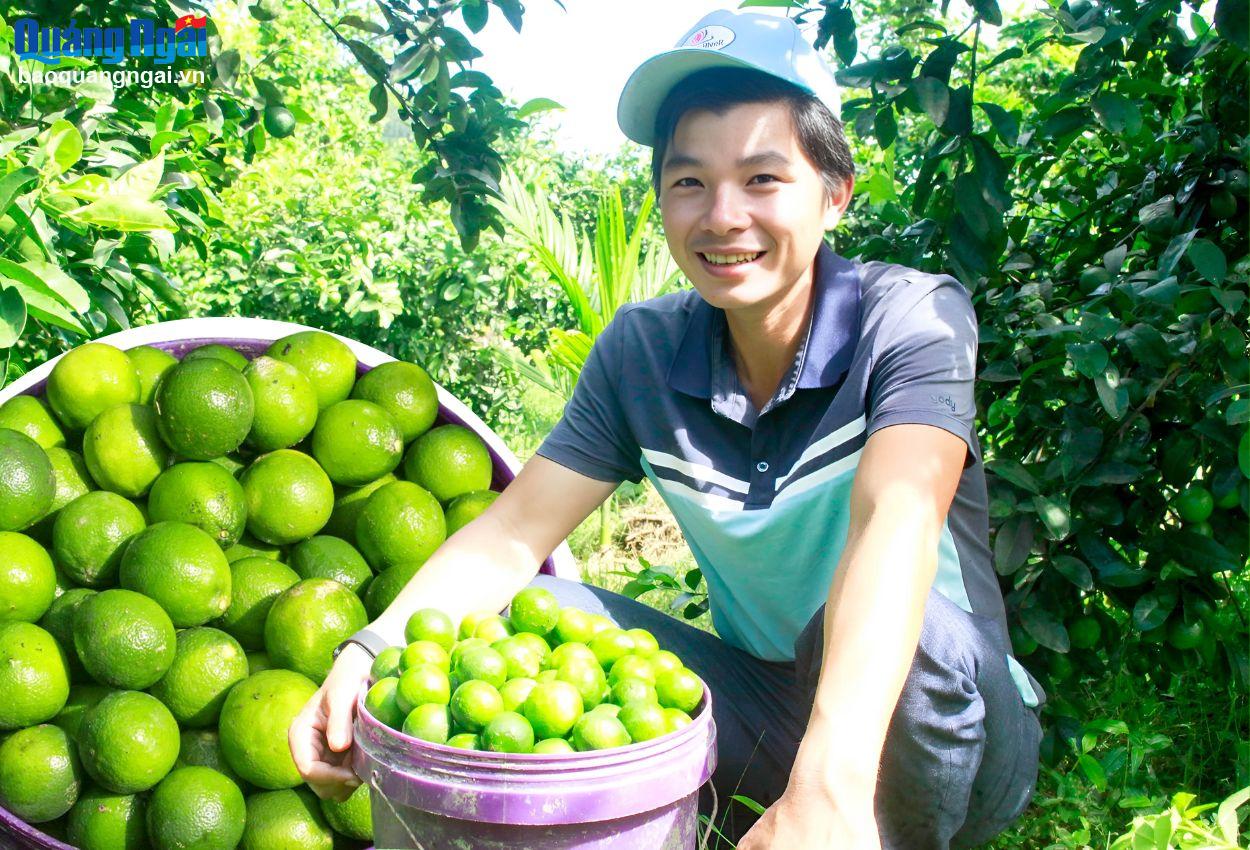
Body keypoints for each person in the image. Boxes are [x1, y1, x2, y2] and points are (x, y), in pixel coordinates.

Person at [290, 9, 1045, 849]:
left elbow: (895, 520)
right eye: (689, 181)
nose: (722, 216)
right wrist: (368, 656)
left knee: (907, 630)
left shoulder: (909, 317)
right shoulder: (643, 353)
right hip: (769, 708)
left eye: (762, 179)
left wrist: (829, 790)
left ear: (835, 193)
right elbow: (511, 536)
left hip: (949, 730)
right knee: (521, 606)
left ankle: (858, 822)